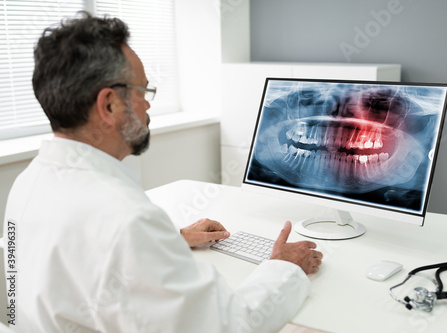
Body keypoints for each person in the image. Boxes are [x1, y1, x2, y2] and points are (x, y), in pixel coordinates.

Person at [3, 12, 322, 332]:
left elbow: (73, 273)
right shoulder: (126, 219)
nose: (148, 106)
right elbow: (230, 325)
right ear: (109, 105)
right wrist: (284, 268)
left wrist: (169, 242)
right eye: (142, 91)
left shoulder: (27, 184)